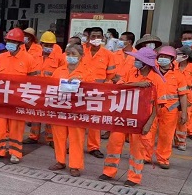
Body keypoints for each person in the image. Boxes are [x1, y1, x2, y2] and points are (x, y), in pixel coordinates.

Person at [99, 48, 162, 186]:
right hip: (123, 115)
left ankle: (134, 177)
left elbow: (158, 105)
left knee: (137, 148)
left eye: (138, 60)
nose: (135, 61)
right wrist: (137, 84)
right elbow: (119, 87)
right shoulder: (130, 72)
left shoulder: (156, 79)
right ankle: (109, 172)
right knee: (114, 143)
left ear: (146, 63)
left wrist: (149, 123)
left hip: (142, 119)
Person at [0, 27, 39, 163]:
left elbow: (34, 81)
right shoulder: (2, 57)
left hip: (18, 100)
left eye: (13, 41)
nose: (9, 43)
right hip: (2, 98)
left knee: (16, 127)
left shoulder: (29, 59)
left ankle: (15, 153)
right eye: (8, 41)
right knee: (0, 125)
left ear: (20, 43)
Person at [49, 44, 93, 177]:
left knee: (76, 138)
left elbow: (92, 91)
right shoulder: (59, 70)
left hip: (77, 111)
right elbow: (50, 88)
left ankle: (75, 165)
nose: (70, 57)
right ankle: (60, 161)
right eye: (68, 54)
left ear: (81, 56)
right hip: (60, 109)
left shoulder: (87, 72)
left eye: (74, 54)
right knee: (59, 136)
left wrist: (80, 83)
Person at [143, 46, 188, 169]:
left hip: (170, 110)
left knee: (166, 135)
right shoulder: (152, 72)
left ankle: (163, 158)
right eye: (161, 56)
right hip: (152, 109)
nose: (163, 59)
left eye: (166, 57)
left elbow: (183, 95)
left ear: (172, 59)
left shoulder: (178, 75)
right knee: (148, 133)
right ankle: (145, 156)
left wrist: (184, 113)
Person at [25, 31, 65, 146]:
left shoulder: (59, 58)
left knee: (50, 116)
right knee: (35, 114)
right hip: (36, 89)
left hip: (51, 91)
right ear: (41, 44)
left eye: (51, 45)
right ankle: (33, 136)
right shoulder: (34, 56)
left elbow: (63, 72)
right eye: (46, 45)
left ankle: (50, 138)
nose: (48, 47)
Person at [82, 27, 116, 158]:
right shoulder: (80, 51)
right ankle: (75, 145)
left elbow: (111, 75)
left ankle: (94, 147)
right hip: (80, 91)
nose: (96, 39)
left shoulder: (108, 55)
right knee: (77, 120)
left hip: (98, 93)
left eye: (98, 36)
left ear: (102, 38)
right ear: (88, 37)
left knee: (95, 121)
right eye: (93, 36)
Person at [174, 46, 192, 152]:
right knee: (172, 119)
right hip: (174, 95)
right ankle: (171, 139)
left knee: (182, 120)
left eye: (178, 53)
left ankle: (181, 142)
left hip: (187, 97)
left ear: (185, 56)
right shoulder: (174, 66)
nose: (176, 55)